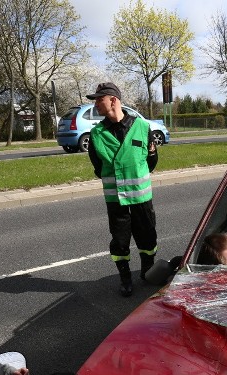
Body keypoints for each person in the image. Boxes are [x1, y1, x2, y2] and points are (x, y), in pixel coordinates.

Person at [86, 81, 159, 297]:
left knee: (147, 238)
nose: (96, 105)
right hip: (115, 200)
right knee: (120, 242)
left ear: (113, 100)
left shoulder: (143, 128)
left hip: (142, 198)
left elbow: (152, 162)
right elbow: (98, 167)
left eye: (100, 100)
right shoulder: (97, 134)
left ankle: (147, 271)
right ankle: (125, 278)